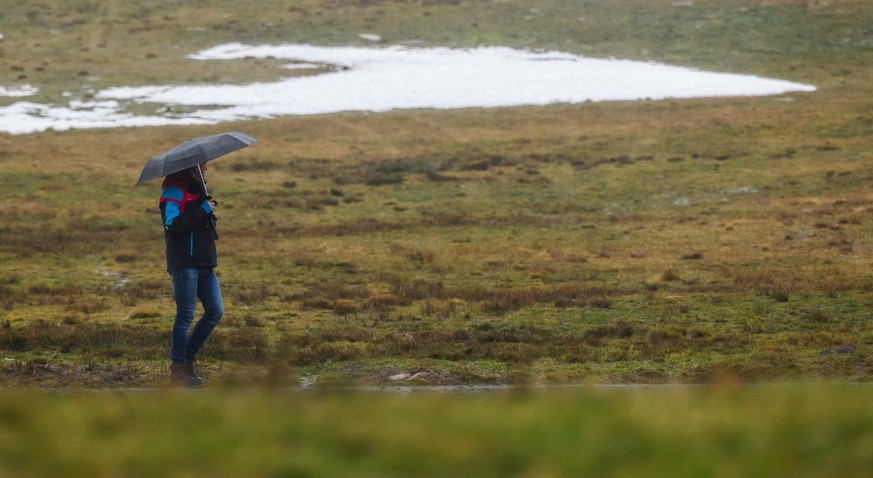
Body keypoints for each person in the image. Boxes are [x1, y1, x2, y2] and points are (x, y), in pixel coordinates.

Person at [159, 162, 223, 387]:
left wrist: (204, 204)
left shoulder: (197, 190)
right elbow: (172, 225)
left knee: (215, 311)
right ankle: (178, 369)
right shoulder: (173, 190)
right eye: (202, 167)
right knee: (185, 316)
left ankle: (185, 360)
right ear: (190, 167)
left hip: (205, 263)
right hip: (185, 263)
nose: (205, 171)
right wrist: (202, 209)